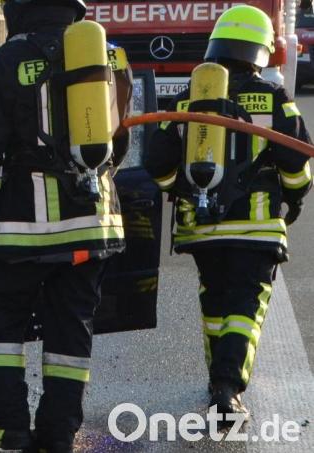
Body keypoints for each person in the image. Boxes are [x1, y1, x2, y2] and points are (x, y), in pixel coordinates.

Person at [0, 0, 132, 450]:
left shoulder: (5, 63)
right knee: (71, 330)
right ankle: (59, 432)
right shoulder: (108, 56)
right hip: (94, 224)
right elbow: (121, 139)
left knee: (1, 325)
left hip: (25, 229)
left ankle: (5, 425)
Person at [144, 5, 312, 424]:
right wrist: (295, 199)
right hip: (254, 228)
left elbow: (157, 160)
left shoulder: (188, 99)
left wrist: (178, 190)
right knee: (245, 308)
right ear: (261, 50)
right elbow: (296, 163)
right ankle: (229, 388)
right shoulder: (274, 98)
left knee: (215, 302)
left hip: (202, 229)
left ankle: (218, 378)